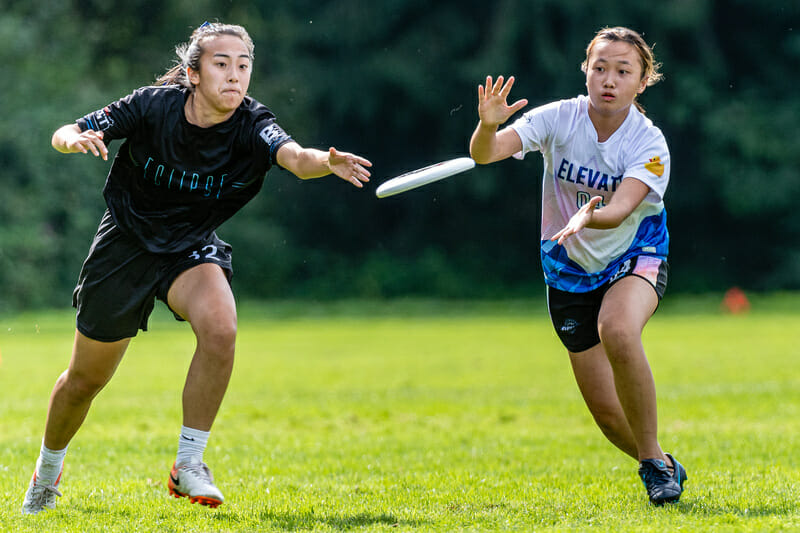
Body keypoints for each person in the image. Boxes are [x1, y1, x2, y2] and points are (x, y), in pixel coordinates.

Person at [22, 22, 372, 514]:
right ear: (192, 73)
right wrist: (72, 140)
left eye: (243, 66)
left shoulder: (253, 123)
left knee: (221, 328)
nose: (235, 76)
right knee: (84, 381)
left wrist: (324, 161)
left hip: (189, 247)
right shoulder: (151, 105)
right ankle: (47, 474)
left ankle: (188, 464)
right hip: (125, 246)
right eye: (221, 65)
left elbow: (294, 157)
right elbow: (68, 130)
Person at [469, 26, 687, 505]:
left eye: (623, 71)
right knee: (609, 418)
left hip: (634, 253)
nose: (609, 79)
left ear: (642, 81)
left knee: (618, 329)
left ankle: (652, 464)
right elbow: (485, 155)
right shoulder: (559, 118)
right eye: (601, 67)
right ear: (586, 71)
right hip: (568, 267)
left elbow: (621, 210)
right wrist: (487, 126)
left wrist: (592, 212)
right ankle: (663, 463)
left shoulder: (649, 144)